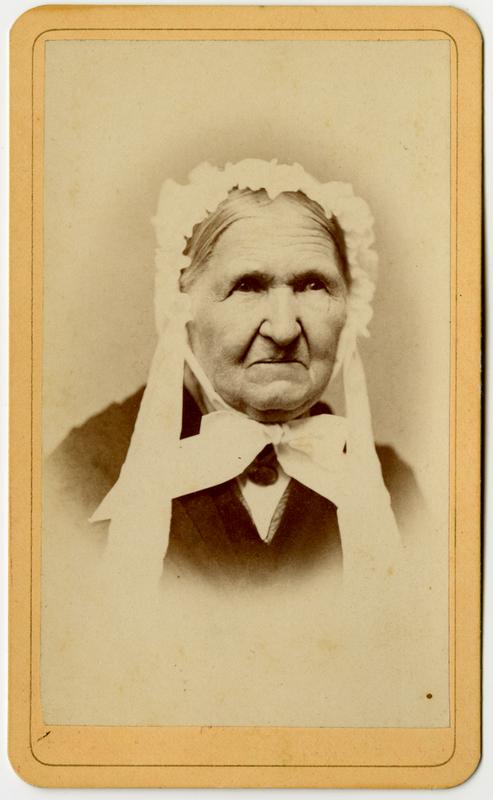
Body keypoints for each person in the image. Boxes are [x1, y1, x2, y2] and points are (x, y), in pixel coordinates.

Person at [47, 159, 422, 590]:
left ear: (350, 309)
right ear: (181, 309)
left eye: (313, 285)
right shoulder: (88, 469)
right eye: (247, 286)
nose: (284, 328)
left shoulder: (391, 486)